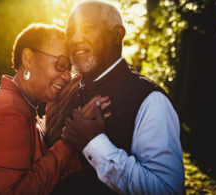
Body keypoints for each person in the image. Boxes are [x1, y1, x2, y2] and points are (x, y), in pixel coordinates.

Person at [44, 1, 185, 194]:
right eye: (70, 33)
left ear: (118, 35)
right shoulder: (58, 94)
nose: (75, 39)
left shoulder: (150, 100)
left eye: (87, 28)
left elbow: (168, 190)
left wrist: (93, 143)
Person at [0, 23, 111, 195]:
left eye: (69, 69)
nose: (66, 77)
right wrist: (70, 142)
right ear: (28, 58)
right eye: (60, 64)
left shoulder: (21, 103)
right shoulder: (8, 111)